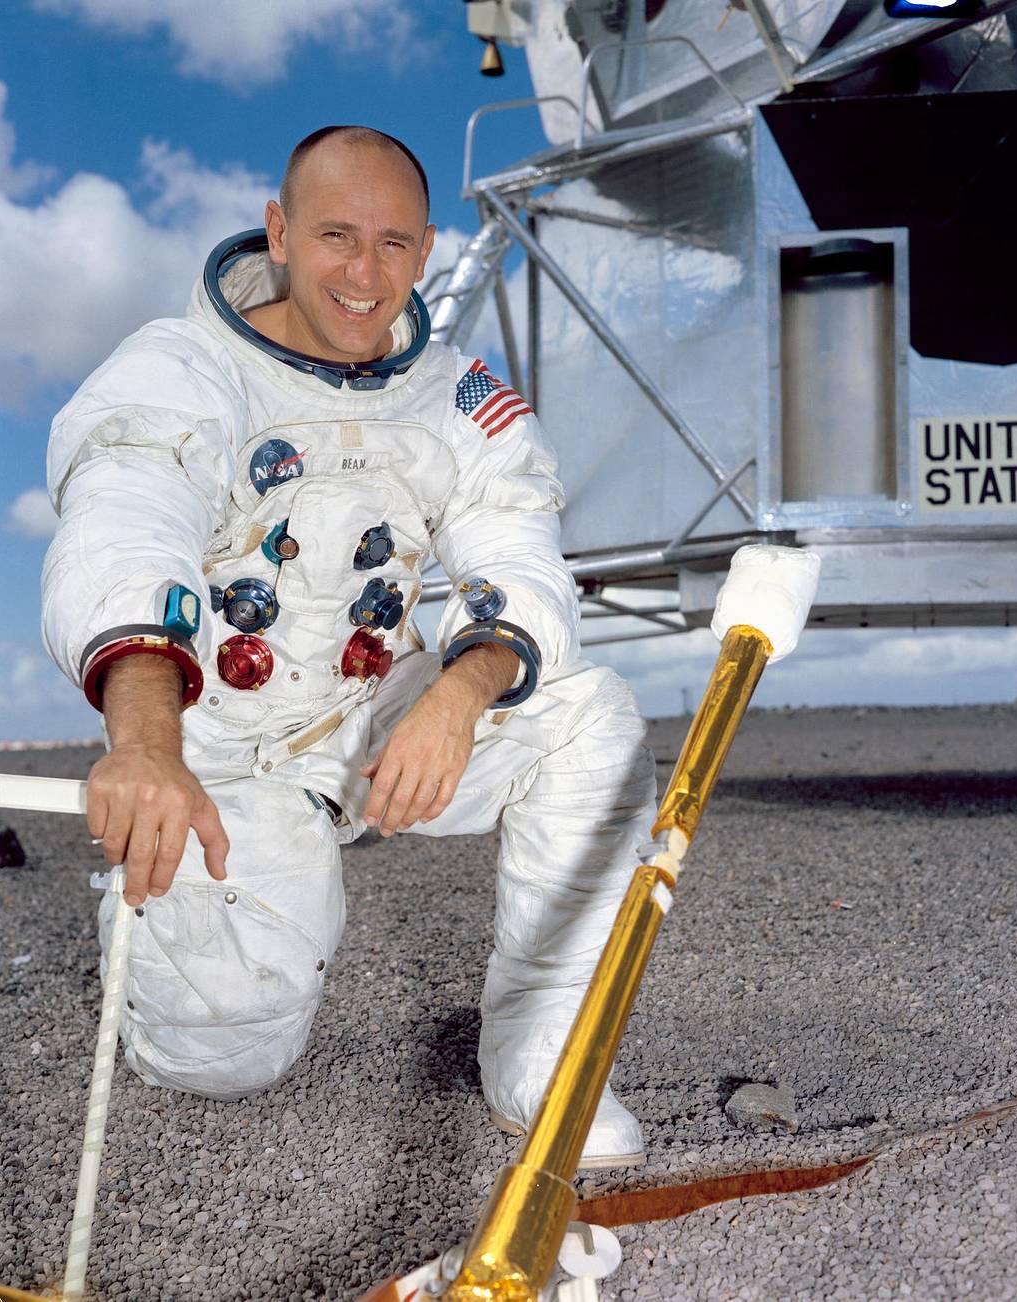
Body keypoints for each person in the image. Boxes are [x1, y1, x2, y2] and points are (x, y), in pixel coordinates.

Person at [42, 126, 656, 1168]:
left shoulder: (463, 401)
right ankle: (166, 917)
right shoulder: (180, 367)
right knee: (223, 1053)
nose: (365, 276)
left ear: (426, 250)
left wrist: (462, 692)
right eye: (335, 236)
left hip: (373, 719)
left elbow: (524, 557)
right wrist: (145, 744)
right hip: (220, 747)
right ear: (279, 232)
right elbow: (126, 524)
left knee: (587, 720)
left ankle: (547, 1045)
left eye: (394, 244)